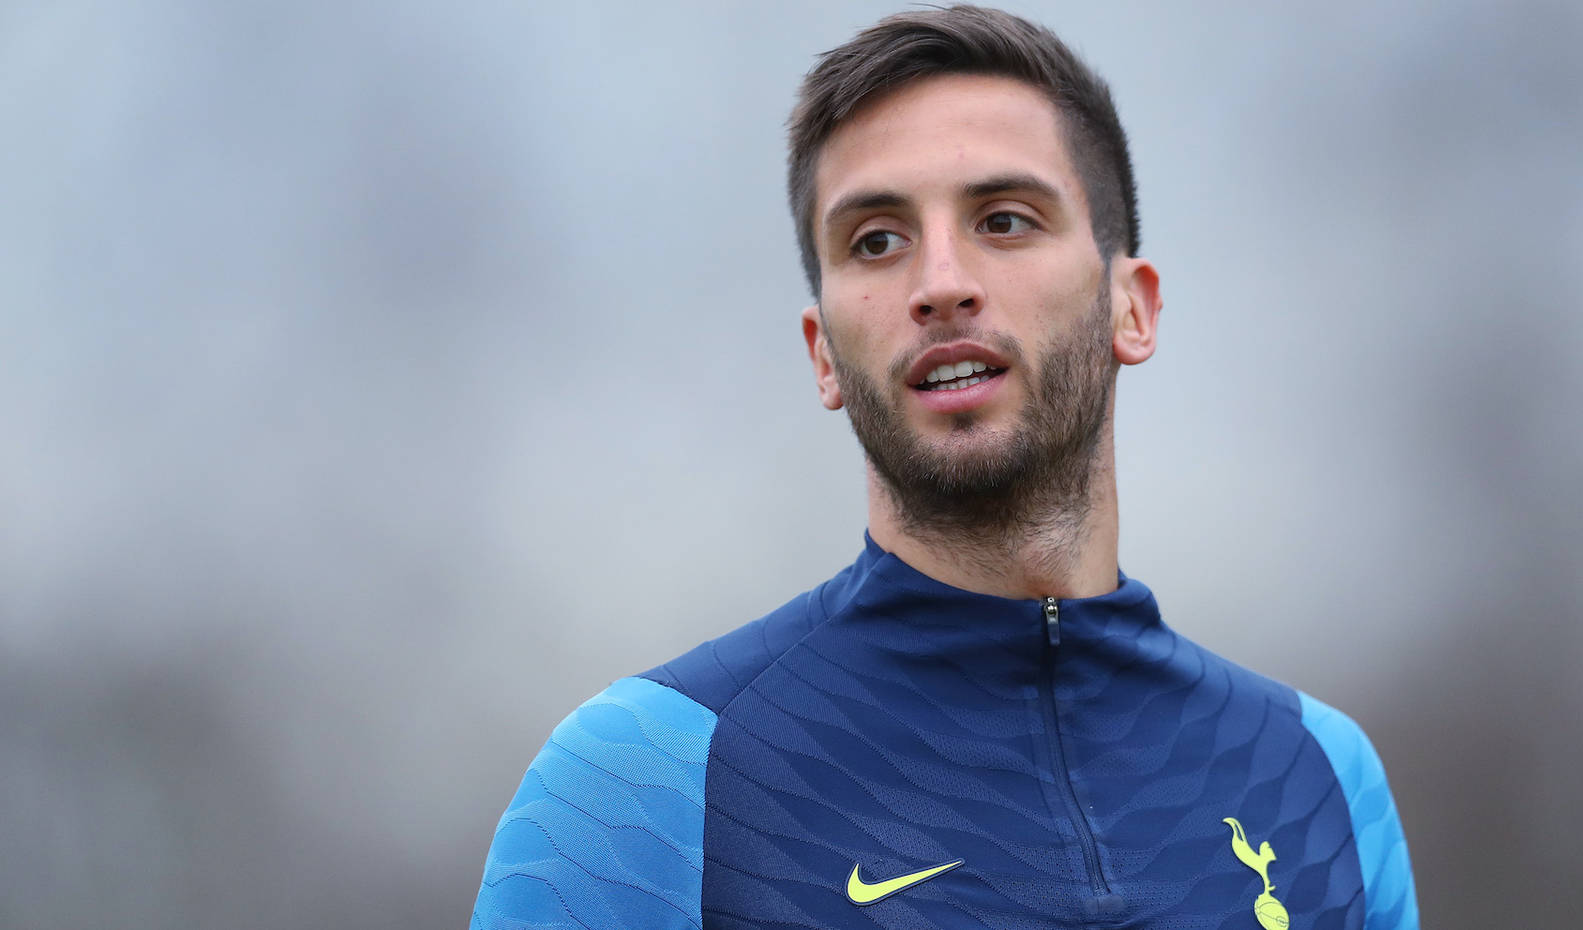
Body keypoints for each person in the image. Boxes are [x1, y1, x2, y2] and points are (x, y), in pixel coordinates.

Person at [470, 6, 1417, 929]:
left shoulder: (1318, 781)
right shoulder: (642, 783)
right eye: (876, 241)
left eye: (1005, 221)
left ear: (1134, 308)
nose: (939, 284)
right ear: (823, 354)